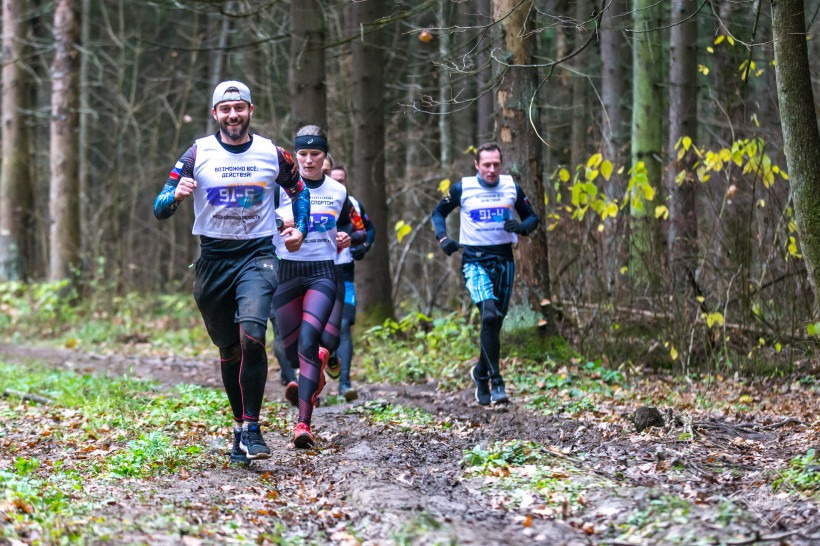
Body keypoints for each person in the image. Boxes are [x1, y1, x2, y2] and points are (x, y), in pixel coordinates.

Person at [154, 80, 309, 462]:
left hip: (258, 254)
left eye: (239, 108)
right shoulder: (197, 153)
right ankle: (239, 426)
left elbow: (300, 190)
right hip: (213, 259)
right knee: (229, 349)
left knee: (253, 335)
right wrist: (174, 198)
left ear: (250, 110)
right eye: (225, 109)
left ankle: (253, 428)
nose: (233, 115)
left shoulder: (273, 154)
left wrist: (300, 229)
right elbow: (158, 206)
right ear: (215, 114)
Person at [271, 125, 363, 448]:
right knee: (295, 351)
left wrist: (349, 236)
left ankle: (303, 425)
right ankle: (316, 369)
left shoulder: (338, 193)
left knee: (310, 340)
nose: (309, 161)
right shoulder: (278, 188)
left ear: (325, 156)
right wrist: (284, 222)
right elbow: (257, 218)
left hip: (323, 272)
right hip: (286, 272)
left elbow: (355, 226)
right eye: (303, 154)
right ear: (295, 155)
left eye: (315, 154)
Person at [430, 142, 539, 406]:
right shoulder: (462, 187)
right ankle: (496, 380)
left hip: (504, 259)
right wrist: (443, 238)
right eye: (486, 165)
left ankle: (480, 373)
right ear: (476, 165)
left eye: (496, 165)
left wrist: (521, 227)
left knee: (495, 322)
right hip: (474, 260)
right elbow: (438, 213)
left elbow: (532, 218)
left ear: (501, 165)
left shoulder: (511, 187)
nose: (491, 170)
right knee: (488, 314)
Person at [327, 164, 375, 400]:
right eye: (332, 178)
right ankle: (321, 369)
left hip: (344, 272)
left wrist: (361, 246)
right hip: (316, 273)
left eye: (341, 180)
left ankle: (344, 383)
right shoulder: (306, 197)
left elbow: (367, 229)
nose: (337, 183)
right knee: (322, 330)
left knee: (344, 325)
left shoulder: (351, 203)